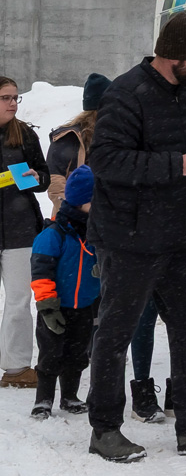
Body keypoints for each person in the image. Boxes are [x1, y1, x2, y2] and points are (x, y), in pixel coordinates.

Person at [86, 12, 186, 462]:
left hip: (176, 234)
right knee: (116, 331)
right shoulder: (126, 93)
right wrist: (179, 165)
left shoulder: (182, 95)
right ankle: (105, 429)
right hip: (129, 236)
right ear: (172, 55)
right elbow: (106, 161)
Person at [127, 70, 186, 424]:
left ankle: (181, 391)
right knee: (143, 316)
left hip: (185, 237)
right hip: (149, 234)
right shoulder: (152, 125)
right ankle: (141, 387)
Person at [30, 165, 99, 419]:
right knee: (50, 354)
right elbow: (41, 273)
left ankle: (69, 396)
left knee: (78, 355)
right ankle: (43, 400)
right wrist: (47, 305)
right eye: (95, 201)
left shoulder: (96, 234)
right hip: (55, 308)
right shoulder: (53, 234)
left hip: (84, 307)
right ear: (80, 201)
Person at [0, 76, 51, 389]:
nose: (13, 103)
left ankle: (17, 369)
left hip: (20, 230)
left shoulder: (25, 134)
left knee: (19, 301)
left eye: (15, 97)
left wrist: (36, 177)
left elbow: (44, 178)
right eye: (5, 98)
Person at [45, 72, 111, 218]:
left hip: (107, 218)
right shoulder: (69, 137)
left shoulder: (116, 134)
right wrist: (76, 212)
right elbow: (55, 183)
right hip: (72, 220)